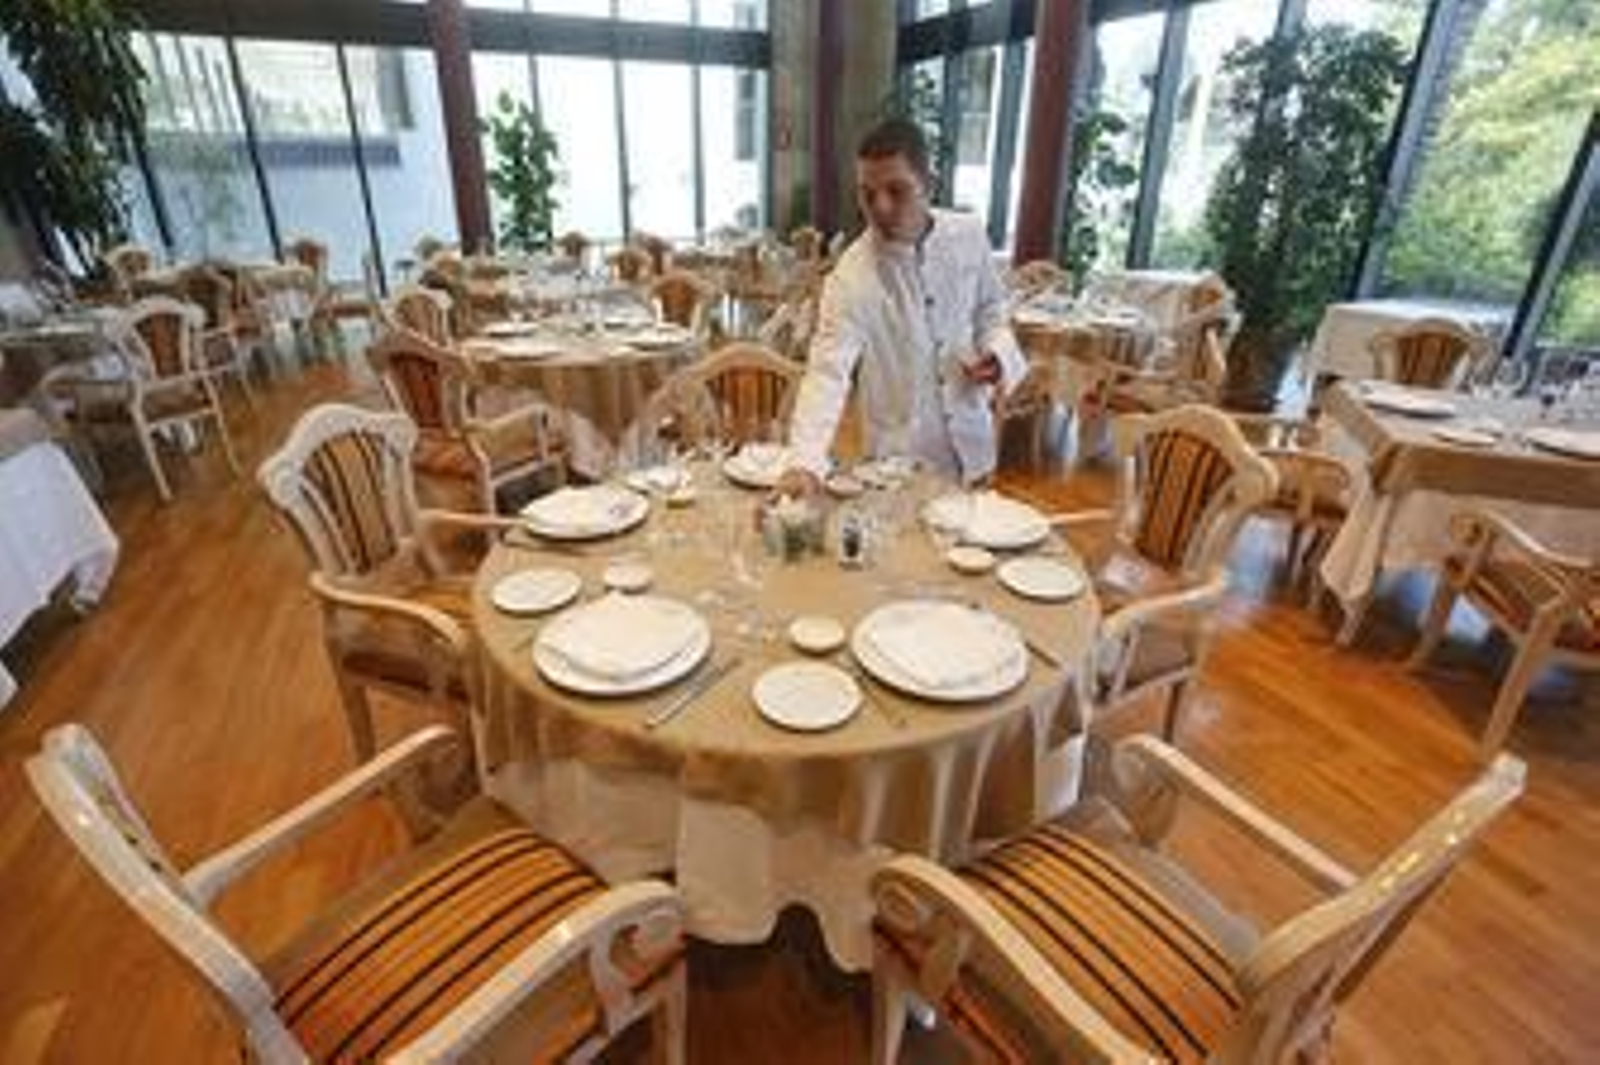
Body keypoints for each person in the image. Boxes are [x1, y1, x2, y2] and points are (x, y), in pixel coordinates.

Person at [777, 118, 1026, 497]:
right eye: (867, 193)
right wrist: (804, 463)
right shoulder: (851, 276)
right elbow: (828, 373)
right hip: (896, 471)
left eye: (897, 190)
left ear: (929, 185)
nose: (880, 206)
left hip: (973, 451)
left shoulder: (969, 235)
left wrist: (996, 352)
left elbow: (991, 312)